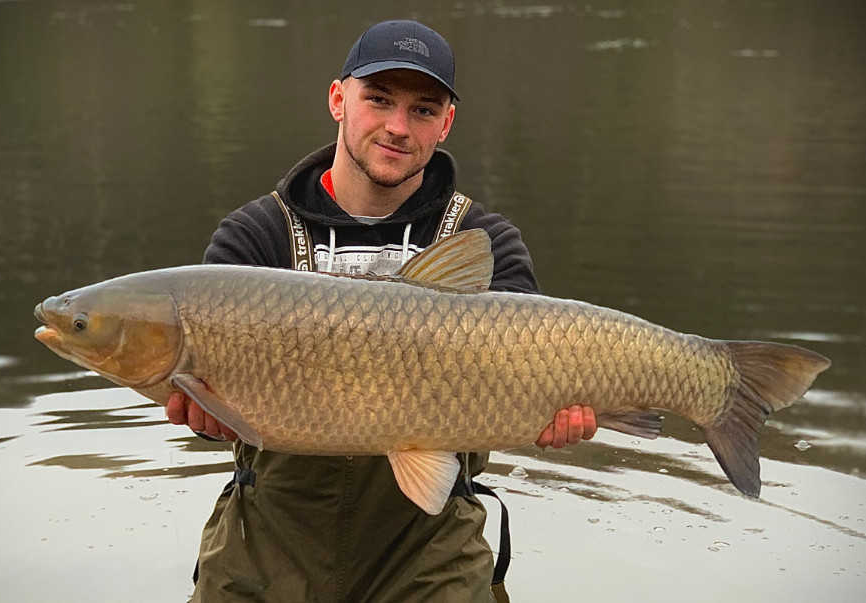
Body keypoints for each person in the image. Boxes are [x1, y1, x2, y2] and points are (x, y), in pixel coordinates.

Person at [166, 20, 597, 603]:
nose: (398, 127)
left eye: (423, 109)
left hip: (429, 543)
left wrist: (555, 411)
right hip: (271, 537)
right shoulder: (255, 238)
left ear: (446, 124)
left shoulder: (482, 237)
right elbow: (218, 405)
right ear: (339, 100)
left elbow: (529, 375)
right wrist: (208, 417)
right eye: (379, 100)